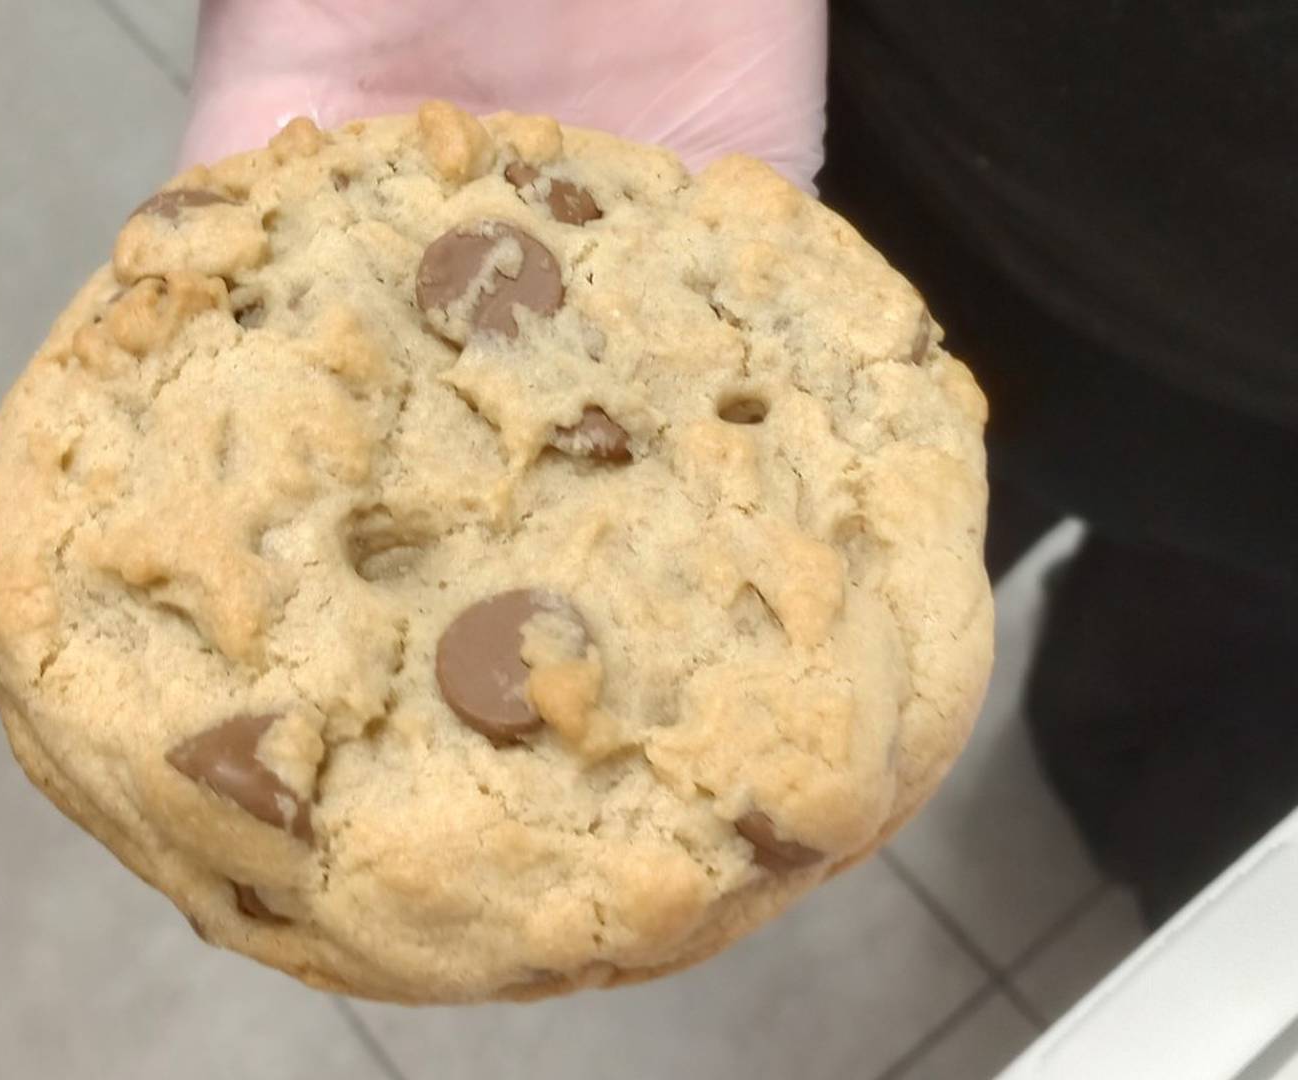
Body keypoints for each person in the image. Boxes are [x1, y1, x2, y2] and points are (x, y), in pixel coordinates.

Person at [180, 0, 1298, 925]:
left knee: (1183, 651)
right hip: (832, 143)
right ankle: (1093, 748)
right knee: (845, 585)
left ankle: (1139, 776)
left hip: (1256, 425)